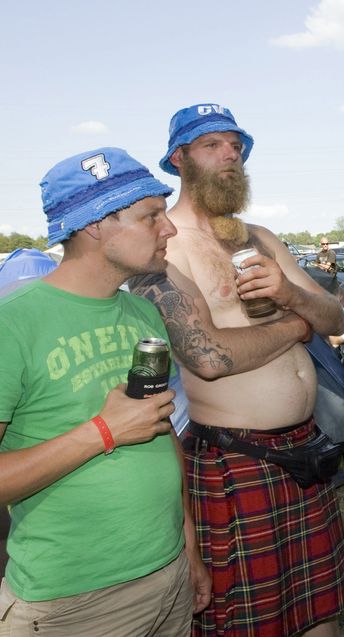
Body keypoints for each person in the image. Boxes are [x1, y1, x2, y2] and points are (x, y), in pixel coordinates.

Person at [131, 103, 344, 637]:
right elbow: (208, 358)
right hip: (237, 461)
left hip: (305, 450)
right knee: (247, 623)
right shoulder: (165, 248)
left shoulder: (263, 237)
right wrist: (297, 326)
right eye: (213, 145)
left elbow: (337, 318)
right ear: (179, 159)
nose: (230, 155)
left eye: (236, 146)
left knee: (319, 611)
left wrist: (290, 293)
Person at [0, 148, 210, 636]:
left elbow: (162, 432)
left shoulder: (142, 314)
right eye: (151, 216)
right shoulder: (14, 323)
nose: (170, 228)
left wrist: (189, 547)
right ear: (96, 224)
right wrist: (103, 431)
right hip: (73, 603)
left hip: (167, 575)